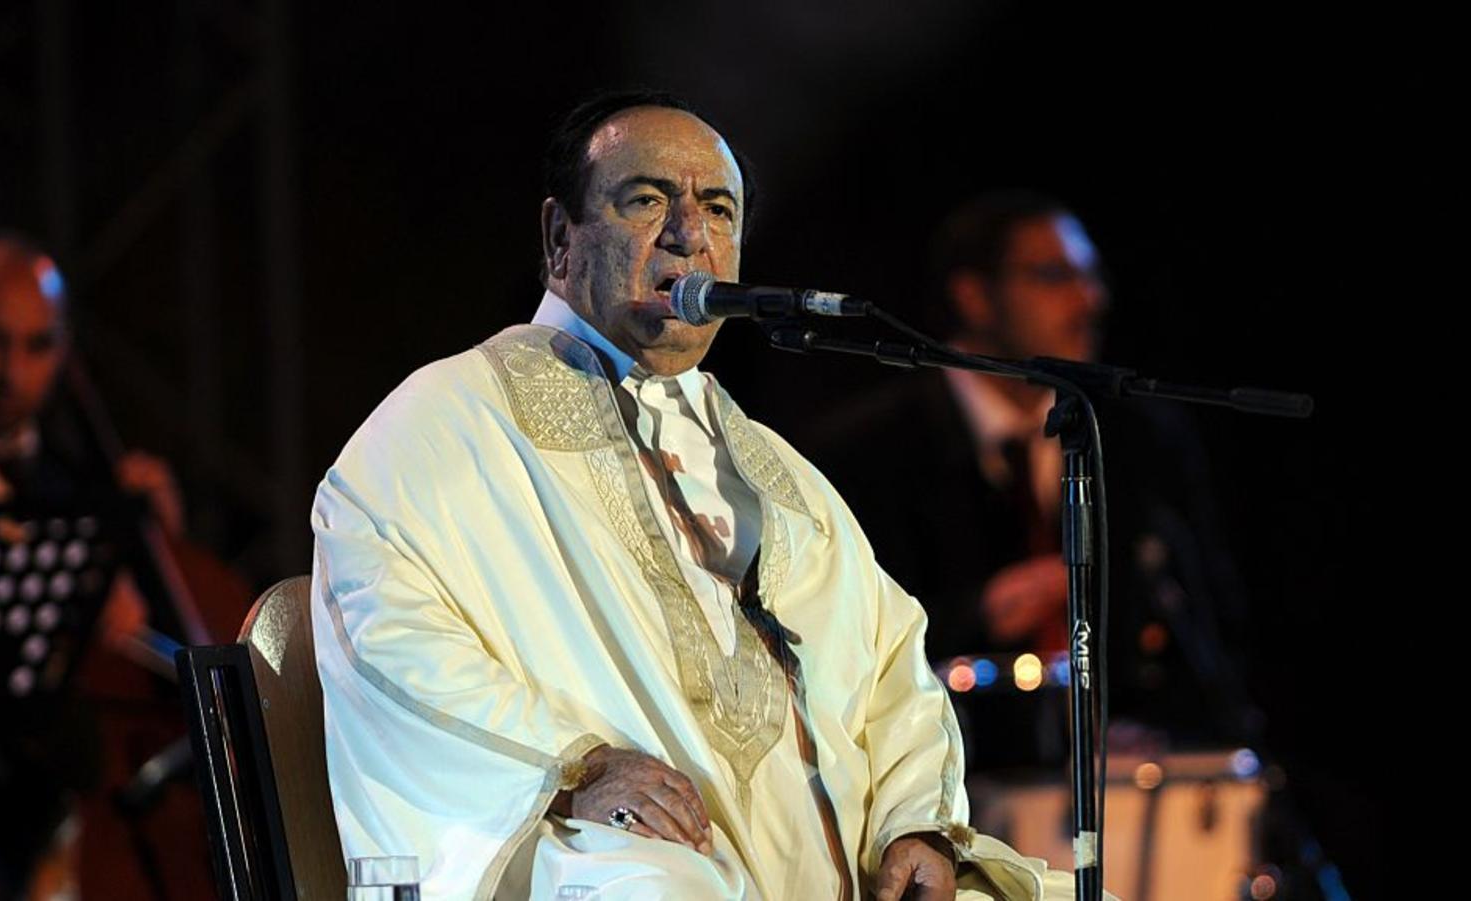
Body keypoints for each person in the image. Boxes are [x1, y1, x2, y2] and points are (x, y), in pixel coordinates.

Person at [312, 92, 1107, 900]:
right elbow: (389, 636)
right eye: (647, 199)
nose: (688, 233)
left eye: (717, 209)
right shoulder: (445, 422)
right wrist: (575, 764)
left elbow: (888, 660)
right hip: (612, 862)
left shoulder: (772, 465)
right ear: (560, 237)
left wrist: (914, 821)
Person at [804, 192, 1252, 763]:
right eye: (1053, 275)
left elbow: (1214, 622)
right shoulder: (866, 451)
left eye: (1092, 276)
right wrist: (981, 612)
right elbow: (835, 645)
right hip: (942, 776)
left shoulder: (1141, 438)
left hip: (1130, 783)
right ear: (974, 296)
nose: (1089, 300)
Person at [0, 232, 210, 898]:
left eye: (38, 346)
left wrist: (151, 550)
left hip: (19, 828)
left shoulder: (69, 479)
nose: (11, 373)